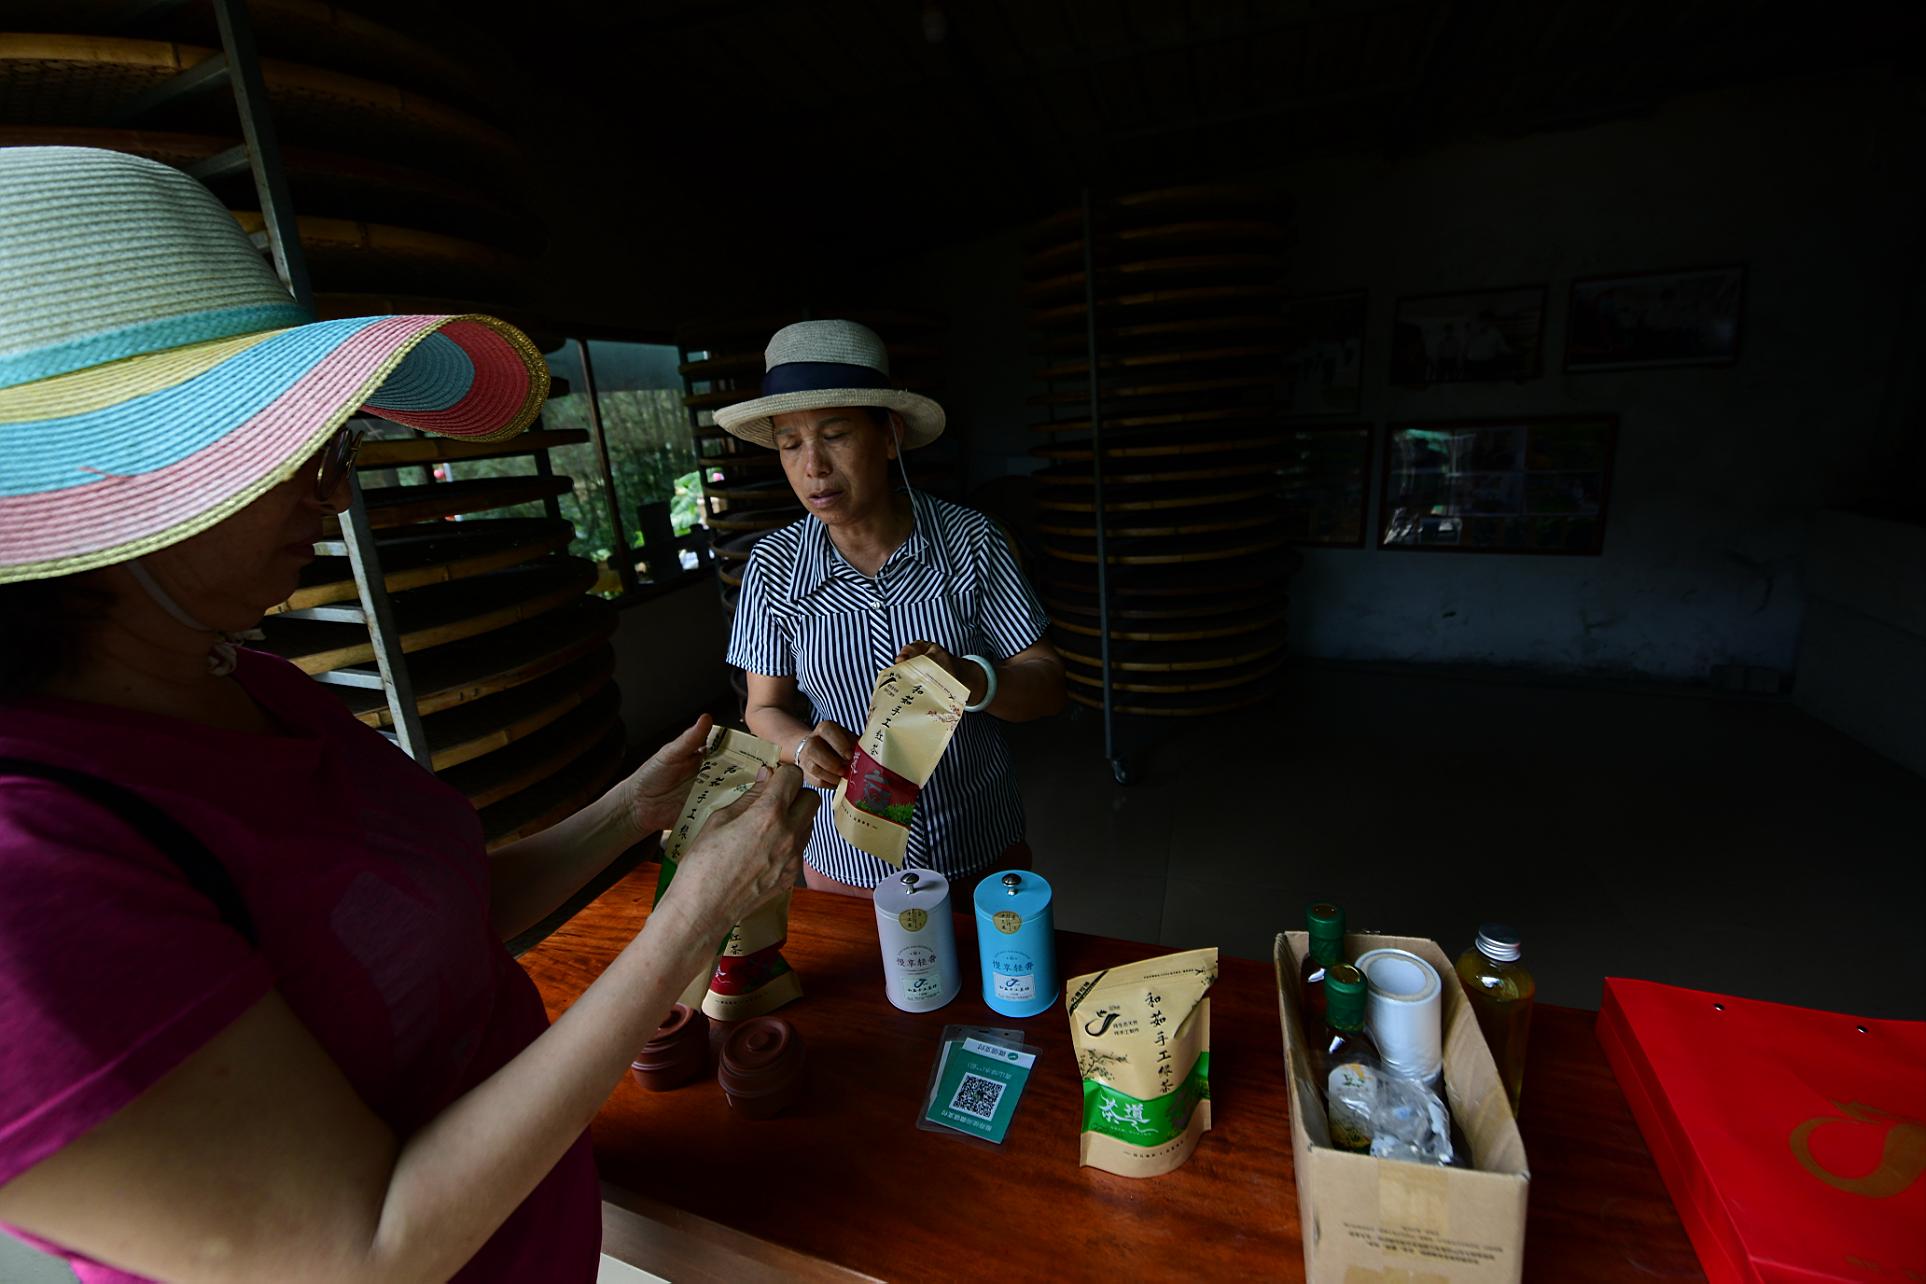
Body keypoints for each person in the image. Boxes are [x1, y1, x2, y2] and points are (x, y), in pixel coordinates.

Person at [0, 147, 814, 1283]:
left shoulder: (240, 680)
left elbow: (425, 912)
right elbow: (363, 1251)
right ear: (107, 491)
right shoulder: (31, 870)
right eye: (278, 451)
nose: (332, 490)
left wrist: (630, 812)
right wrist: (698, 911)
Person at [720, 320, 1067, 897]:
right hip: (850, 863)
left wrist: (972, 681)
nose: (814, 467)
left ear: (889, 436)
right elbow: (764, 710)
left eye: (835, 435)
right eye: (790, 445)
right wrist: (804, 747)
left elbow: (1048, 684)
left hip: (980, 839)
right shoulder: (773, 566)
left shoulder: (971, 541)